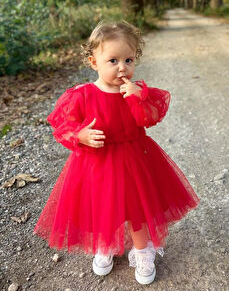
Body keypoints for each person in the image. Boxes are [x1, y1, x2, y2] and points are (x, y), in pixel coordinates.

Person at [34, 20, 199, 285]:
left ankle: (143, 251)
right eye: (113, 60)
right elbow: (63, 126)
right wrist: (81, 135)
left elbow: (149, 118)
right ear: (93, 62)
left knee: (138, 210)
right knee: (101, 207)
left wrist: (137, 97)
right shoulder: (82, 95)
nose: (122, 67)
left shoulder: (135, 91)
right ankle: (105, 246)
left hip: (135, 159)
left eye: (129, 60)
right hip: (96, 164)